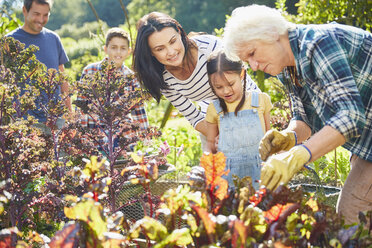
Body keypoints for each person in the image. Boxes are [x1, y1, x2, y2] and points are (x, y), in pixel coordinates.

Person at [223, 4, 372, 225]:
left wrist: (297, 155)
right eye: (247, 61)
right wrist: (289, 137)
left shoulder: (319, 43)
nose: (253, 66)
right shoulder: (288, 66)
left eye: (253, 53)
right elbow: (305, 119)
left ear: (272, 34)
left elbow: (350, 116)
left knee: (352, 211)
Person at [133, 12, 259, 148]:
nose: (171, 52)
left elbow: (244, 84)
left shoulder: (209, 47)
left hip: (247, 107)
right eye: (160, 49)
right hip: (212, 122)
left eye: (173, 41)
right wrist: (220, 137)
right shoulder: (163, 78)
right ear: (151, 52)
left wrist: (246, 124)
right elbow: (194, 116)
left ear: (180, 33)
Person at [205, 50, 272, 189]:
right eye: (218, 87)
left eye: (230, 84)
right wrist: (206, 165)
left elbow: (268, 136)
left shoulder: (260, 100)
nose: (226, 91)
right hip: (227, 177)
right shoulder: (214, 109)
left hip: (261, 173)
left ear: (241, 74)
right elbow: (210, 144)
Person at [79, 27, 149, 152]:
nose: (118, 52)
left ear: (128, 52)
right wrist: (83, 138)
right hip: (96, 138)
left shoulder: (131, 78)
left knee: (122, 170)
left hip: (122, 139)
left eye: (123, 48)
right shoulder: (90, 71)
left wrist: (145, 138)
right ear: (106, 49)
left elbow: (138, 110)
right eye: (114, 47)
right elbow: (81, 106)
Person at [6, 0, 71, 128]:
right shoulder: (10, 41)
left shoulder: (54, 39)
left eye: (45, 15)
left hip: (55, 120)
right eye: (36, 14)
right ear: (25, 11)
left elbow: (62, 79)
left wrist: (69, 114)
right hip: (24, 122)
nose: (41, 19)